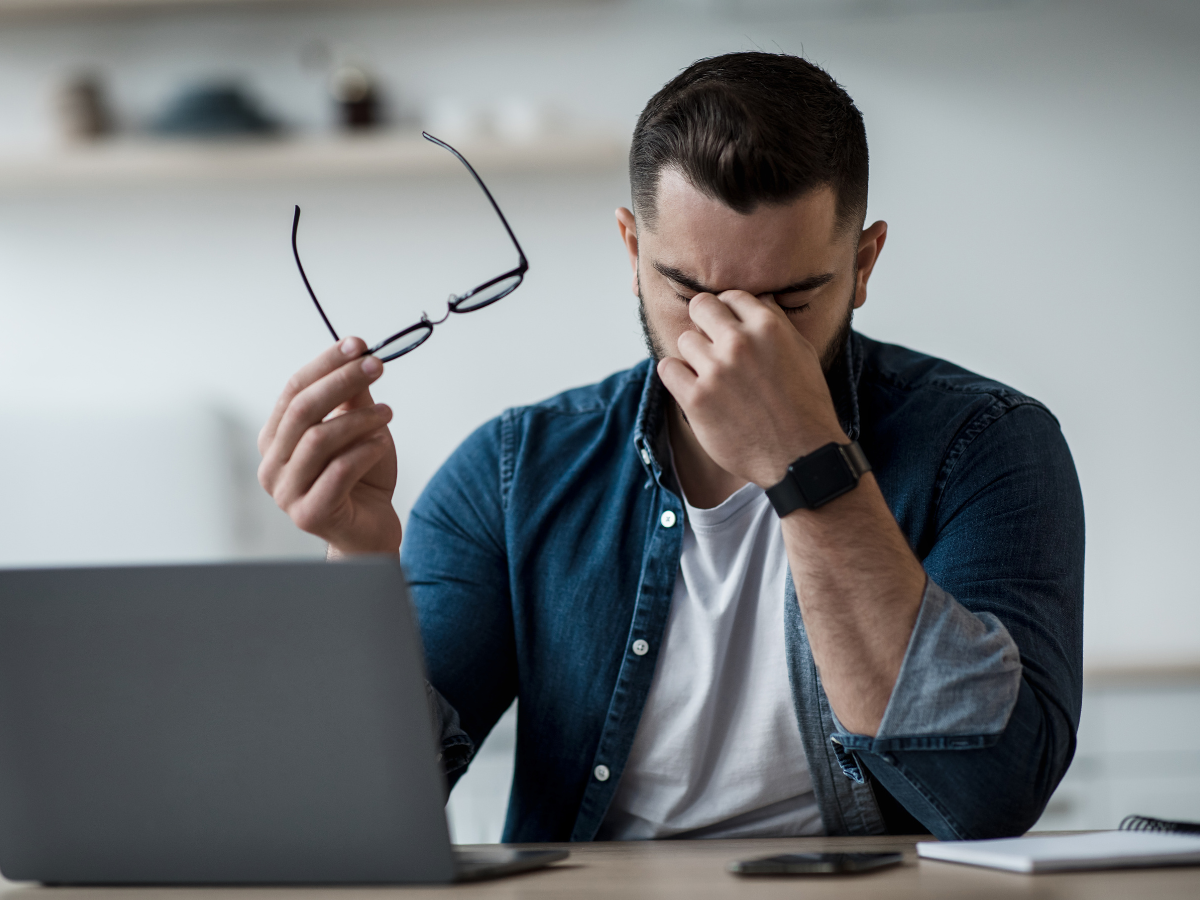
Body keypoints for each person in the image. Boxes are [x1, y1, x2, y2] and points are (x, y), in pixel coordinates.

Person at [257, 52, 1084, 842]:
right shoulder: (514, 474)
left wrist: (807, 462)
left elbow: (990, 797)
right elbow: (359, 807)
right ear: (632, 252)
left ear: (863, 264)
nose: (732, 337)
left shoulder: (987, 447)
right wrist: (358, 558)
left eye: (788, 302)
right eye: (689, 291)